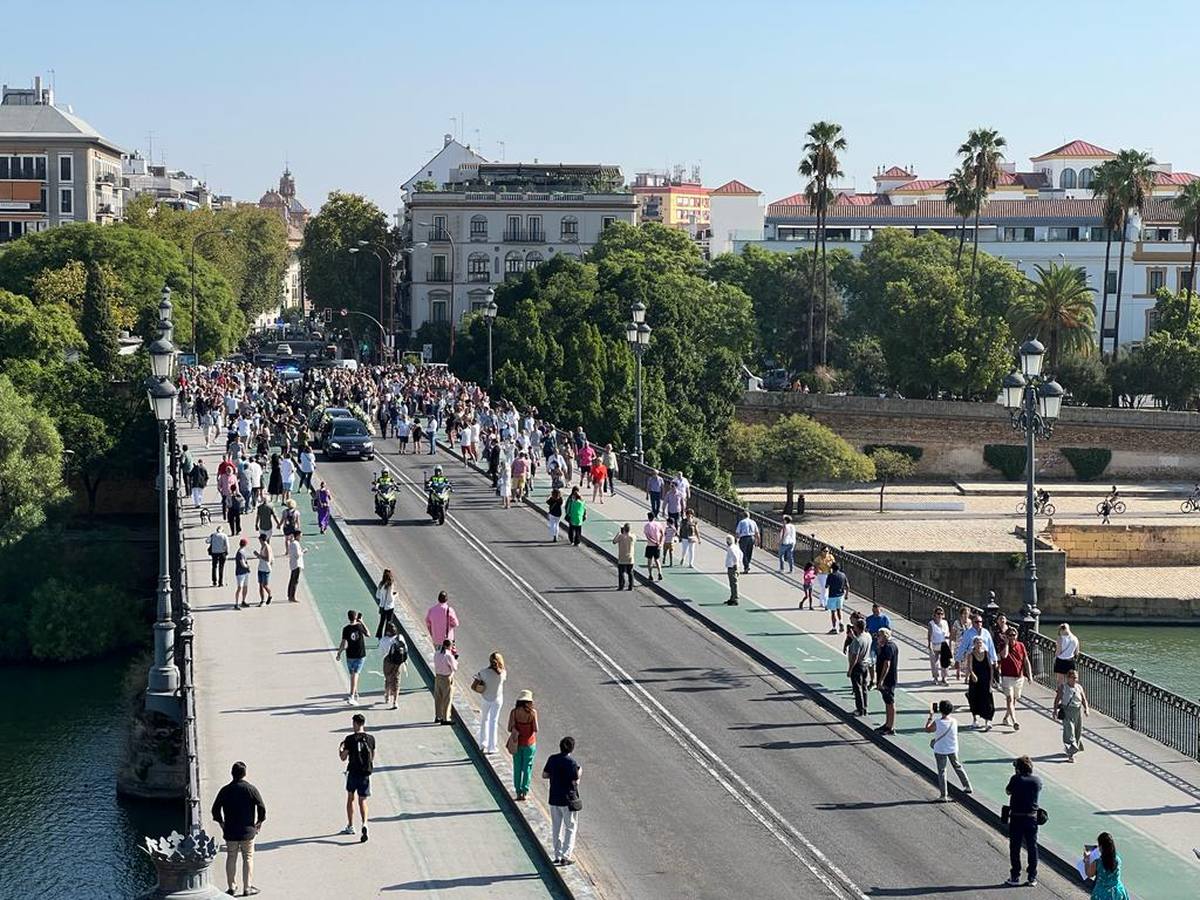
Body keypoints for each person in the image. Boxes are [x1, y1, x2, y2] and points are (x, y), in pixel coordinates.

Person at [211, 761, 266, 897]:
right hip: (247, 831)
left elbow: (215, 809)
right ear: (245, 774)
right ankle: (247, 887)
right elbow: (261, 807)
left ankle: (231, 887)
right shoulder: (251, 789)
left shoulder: (225, 790)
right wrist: (259, 822)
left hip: (230, 831)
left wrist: (221, 822)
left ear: (232, 773)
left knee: (231, 857)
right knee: (248, 857)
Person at [543, 735, 582, 866]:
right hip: (568, 800)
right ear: (572, 749)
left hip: (554, 798)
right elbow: (575, 782)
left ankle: (557, 855)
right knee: (570, 827)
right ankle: (566, 855)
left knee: (556, 827)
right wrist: (580, 772)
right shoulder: (572, 763)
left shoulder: (552, 759)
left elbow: (545, 774)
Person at [924, 700, 972, 802]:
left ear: (940, 710)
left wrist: (930, 716)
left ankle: (943, 795)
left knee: (942, 771)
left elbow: (927, 729)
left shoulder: (938, 722)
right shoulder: (954, 721)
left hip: (940, 750)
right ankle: (967, 786)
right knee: (957, 766)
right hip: (952, 748)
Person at [338, 713, 375, 843]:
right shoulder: (371, 739)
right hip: (365, 774)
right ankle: (364, 823)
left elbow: (343, 757)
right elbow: (372, 757)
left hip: (353, 772)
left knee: (350, 798)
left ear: (355, 723)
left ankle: (350, 825)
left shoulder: (350, 739)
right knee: (363, 800)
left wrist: (340, 748)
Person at [1006, 755, 1042, 887]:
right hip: (1032, 818)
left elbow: (1008, 791)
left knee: (1015, 847)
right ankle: (1032, 877)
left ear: (1018, 769)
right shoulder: (1037, 781)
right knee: (1032, 847)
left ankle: (1015, 876)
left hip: (1017, 817)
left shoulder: (1016, 779)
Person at [999, 626, 1032, 731]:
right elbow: (1004, 656)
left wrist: (1029, 675)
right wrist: (1006, 644)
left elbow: (1026, 661)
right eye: (1010, 635)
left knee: (1014, 699)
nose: (1012, 637)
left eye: (1014, 635)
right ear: (1007, 636)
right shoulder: (1002, 645)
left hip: (1019, 677)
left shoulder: (1021, 645)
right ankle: (1015, 721)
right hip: (1007, 677)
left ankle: (1006, 718)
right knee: (1009, 699)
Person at [508, 690, 539, 801]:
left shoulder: (514, 712)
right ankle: (525, 792)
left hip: (517, 743)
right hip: (529, 744)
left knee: (517, 767)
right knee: (527, 767)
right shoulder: (532, 713)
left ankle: (518, 792)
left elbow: (509, 728)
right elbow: (536, 729)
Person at [335, 610, 370, 705]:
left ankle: (354, 692)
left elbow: (343, 643)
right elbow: (368, 634)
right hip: (360, 655)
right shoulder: (359, 626)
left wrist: (339, 653)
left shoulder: (346, 629)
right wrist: (362, 622)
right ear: (356, 617)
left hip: (350, 655)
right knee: (356, 674)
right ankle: (352, 695)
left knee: (352, 675)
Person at [474, 652, 507, 753]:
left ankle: (482, 743)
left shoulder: (483, 672)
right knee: (494, 721)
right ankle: (492, 747)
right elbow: (500, 673)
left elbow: (475, 683)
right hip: (497, 699)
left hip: (485, 698)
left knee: (484, 719)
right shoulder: (502, 674)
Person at [1055, 667, 1089, 761]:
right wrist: (1055, 710)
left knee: (1078, 731)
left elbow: (1084, 699)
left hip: (1077, 711)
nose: (1075, 679)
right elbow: (1057, 699)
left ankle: (1074, 747)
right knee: (1069, 732)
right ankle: (1071, 753)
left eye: (1076, 677)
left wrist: (1086, 709)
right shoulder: (1063, 687)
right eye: (1073, 677)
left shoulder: (1079, 687)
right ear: (1068, 678)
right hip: (1067, 711)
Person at [1086, 832, 1128, 900]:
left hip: (1101, 894)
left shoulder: (1098, 862)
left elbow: (1089, 874)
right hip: (1117, 892)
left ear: (1101, 847)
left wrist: (1087, 860)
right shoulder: (1117, 860)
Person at [966, 636, 996, 730]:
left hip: (985, 679)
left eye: (980, 643)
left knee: (987, 700)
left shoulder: (986, 653)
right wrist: (972, 674)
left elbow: (991, 668)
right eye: (977, 643)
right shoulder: (971, 654)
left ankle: (987, 721)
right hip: (975, 681)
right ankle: (975, 720)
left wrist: (991, 681)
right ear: (974, 644)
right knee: (974, 698)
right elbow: (969, 667)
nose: (979, 644)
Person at [378, 620, 407, 710]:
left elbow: (381, 653)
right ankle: (395, 701)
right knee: (397, 680)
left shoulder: (383, 640)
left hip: (388, 661)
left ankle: (387, 696)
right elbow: (405, 648)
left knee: (388, 678)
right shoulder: (400, 637)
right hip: (398, 662)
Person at [874, 628, 898, 735]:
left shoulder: (889, 647)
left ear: (885, 636)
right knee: (887, 701)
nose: (877, 638)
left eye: (879, 636)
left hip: (888, 679)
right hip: (886, 679)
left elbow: (886, 664)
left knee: (890, 701)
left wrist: (881, 681)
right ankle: (887, 724)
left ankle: (890, 726)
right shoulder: (885, 646)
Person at [846, 620, 872, 716]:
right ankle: (865, 707)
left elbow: (855, 656)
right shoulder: (868, 636)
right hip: (865, 664)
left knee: (857, 688)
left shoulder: (857, 640)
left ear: (857, 627)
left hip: (858, 665)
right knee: (864, 686)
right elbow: (860, 643)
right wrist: (852, 637)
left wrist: (850, 669)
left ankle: (859, 709)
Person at [864, 603, 892, 687]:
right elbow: (866, 629)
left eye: (876, 611)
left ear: (880, 610)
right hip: (872, 644)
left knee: (881, 663)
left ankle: (880, 680)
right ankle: (872, 680)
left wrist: (880, 636)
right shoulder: (869, 619)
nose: (875, 613)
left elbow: (889, 631)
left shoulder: (885, 619)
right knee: (871, 662)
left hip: (882, 645)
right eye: (873, 611)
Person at [433, 638, 457, 724]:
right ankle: (445, 718)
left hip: (438, 677)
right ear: (449, 646)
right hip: (446, 678)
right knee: (447, 698)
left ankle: (438, 716)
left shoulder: (436, 653)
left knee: (438, 697)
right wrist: (455, 659)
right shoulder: (449, 656)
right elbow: (454, 668)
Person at [927, 606, 951, 685]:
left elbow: (948, 633)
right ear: (934, 614)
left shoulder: (945, 622)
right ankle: (935, 677)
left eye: (941, 614)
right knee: (935, 662)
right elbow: (929, 635)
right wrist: (929, 644)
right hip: (935, 643)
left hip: (944, 643)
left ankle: (944, 677)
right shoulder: (931, 623)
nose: (940, 615)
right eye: (938, 614)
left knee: (945, 662)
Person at [824, 563, 848, 634]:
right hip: (840, 595)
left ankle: (834, 628)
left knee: (833, 612)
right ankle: (841, 622)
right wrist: (846, 595)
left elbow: (826, 586)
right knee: (839, 610)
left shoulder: (831, 575)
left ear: (832, 568)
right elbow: (847, 586)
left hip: (832, 596)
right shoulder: (843, 575)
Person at [612, 523, 636, 590]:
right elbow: (633, 535)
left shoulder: (620, 536)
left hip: (622, 557)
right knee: (630, 572)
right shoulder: (632, 536)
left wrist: (618, 534)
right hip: (630, 557)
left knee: (621, 572)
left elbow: (614, 541)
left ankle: (621, 586)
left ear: (624, 529)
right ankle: (631, 586)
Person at [374, 569, 398, 639]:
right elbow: (390, 598)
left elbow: (377, 595)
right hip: (389, 607)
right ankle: (386, 636)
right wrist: (395, 595)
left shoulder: (381, 584)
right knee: (388, 622)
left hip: (382, 606)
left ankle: (379, 635)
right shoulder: (390, 585)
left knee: (381, 622)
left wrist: (382, 597)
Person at [642, 512, 665, 582]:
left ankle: (650, 575)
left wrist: (655, 542)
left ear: (648, 517)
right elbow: (662, 533)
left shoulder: (647, 525)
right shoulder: (658, 524)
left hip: (650, 545)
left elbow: (648, 537)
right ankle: (660, 573)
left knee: (649, 561)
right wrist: (659, 543)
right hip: (657, 546)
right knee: (657, 560)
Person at [950, 607, 970, 681]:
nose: (966, 615)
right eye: (964, 613)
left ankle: (967, 676)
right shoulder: (957, 622)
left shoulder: (970, 622)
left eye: (967, 613)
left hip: (967, 644)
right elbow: (953, 633)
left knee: (967, 660)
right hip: (959, 643)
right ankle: (958, 671)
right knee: (958, 659)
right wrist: (952, 643)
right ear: (961, 614)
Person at [253, 534, 273, 606]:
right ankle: (262, 600)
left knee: (264, 585)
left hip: (266, 568)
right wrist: (258, 556)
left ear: (261, 539)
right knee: (260, 585)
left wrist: (259, 555)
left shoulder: (267, 547)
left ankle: (270, 594)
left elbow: (268, 559)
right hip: (261, 567)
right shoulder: (262, 546)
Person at [286, 532, 305, 603]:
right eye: (300, 536)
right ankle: (292, 596)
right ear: (297, 536)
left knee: (292, 580)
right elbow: (297, 555)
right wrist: (303, 552)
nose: (301, 537)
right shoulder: (295, 544)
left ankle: (289, 595)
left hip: (293, 564)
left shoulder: (292, 543)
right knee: (295, 581)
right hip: (297, 564)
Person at [233, 538, 251, 610]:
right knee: (240, 587)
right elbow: (243, 563)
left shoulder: (242, 551)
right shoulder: (240, 553)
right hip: (240, 572)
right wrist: (247, 566)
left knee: (244, 587)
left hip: (244, 572)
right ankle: (237, 603)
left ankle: (243, 601)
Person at [723, 535, 740, 605]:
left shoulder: (731, 548)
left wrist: (735, 564)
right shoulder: (735, 547)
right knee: (732, 583)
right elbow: (740, 555)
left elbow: (734, 556)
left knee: (733, 583)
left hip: (732, 567)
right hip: (733, 566)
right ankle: (732, 597)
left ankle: (735, 598)